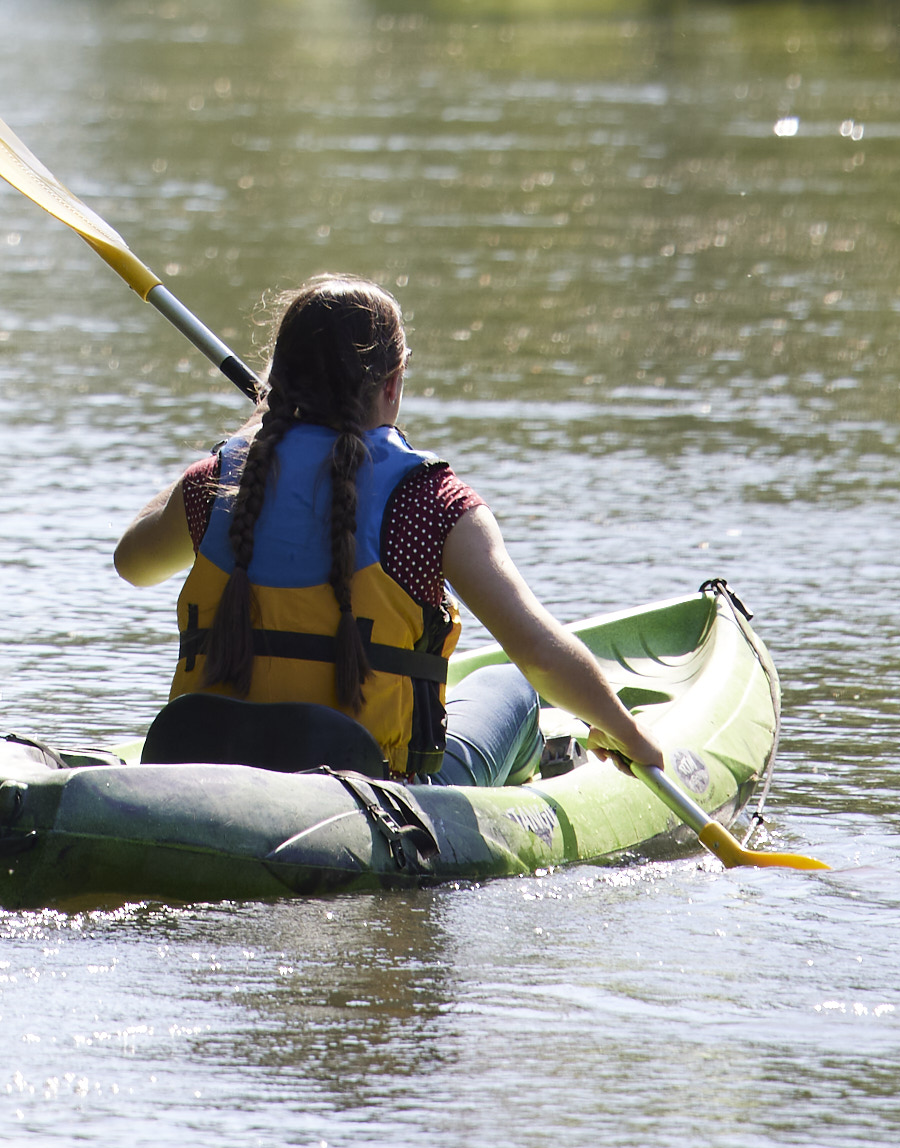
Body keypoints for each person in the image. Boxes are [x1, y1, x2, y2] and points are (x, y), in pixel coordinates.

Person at [111, 271, 668, 788]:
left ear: (276, 382)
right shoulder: (431, 501)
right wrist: (630, 733)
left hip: (203, 773)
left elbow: (132, 563)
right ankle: (536, 774)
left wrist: (240, 442)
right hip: (375, 797)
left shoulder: (215, 483)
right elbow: (540, 654)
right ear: (393, 383)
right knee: (516, 687)